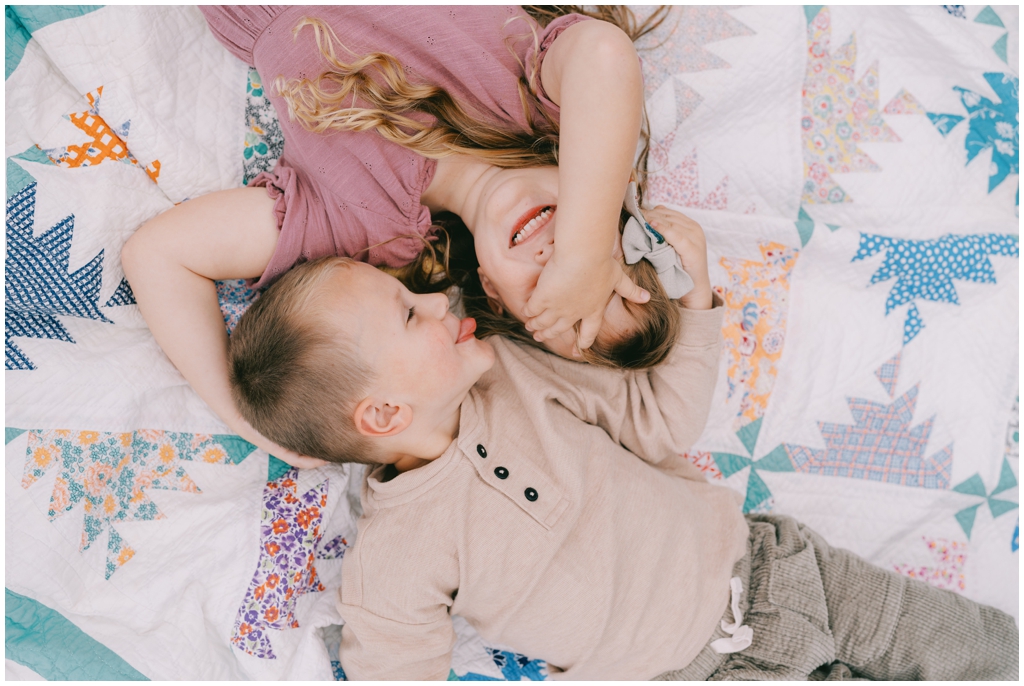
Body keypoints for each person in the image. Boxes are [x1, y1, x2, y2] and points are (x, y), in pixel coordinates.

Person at [225, 208, 1018, 680]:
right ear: (383, 415)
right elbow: (395, 667)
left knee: (974, 646)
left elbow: (658, 421)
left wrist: (697, 302)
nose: (437, 302)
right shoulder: (394, 559)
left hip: (776, 570)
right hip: (680, 675)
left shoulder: (514, 378)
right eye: (407, 314)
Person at [121, 6, 678, 467]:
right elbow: (604, 55)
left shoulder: (364, 232)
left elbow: (158, 255)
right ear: (607, 189)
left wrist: (248, 421)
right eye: (595, 258)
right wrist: (583, 255)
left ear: (491, 290)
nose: (555, 256)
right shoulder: (536, 98)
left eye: (551, 297)